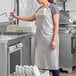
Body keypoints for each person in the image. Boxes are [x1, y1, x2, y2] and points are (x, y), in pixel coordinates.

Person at [10, 0, 60, 76]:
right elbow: (31, 18)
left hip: (50, 39)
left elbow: (56, 25)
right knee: (40, 63)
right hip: (40, 39)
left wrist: (54, 40)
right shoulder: (40, 8)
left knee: (53, 63)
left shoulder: (53, 8)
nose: (37, 0)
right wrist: (17, 17)